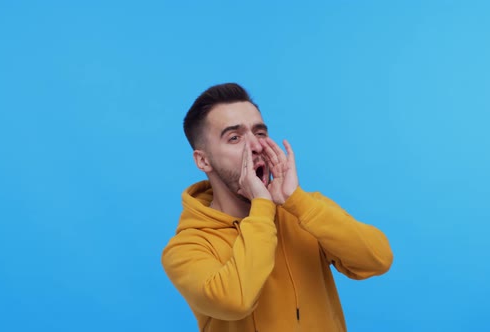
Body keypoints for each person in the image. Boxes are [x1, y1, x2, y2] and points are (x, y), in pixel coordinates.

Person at [161, 83, 393, 331]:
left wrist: (298, 202)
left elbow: (377, 260)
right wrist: (262, 208)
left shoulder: (304, 209)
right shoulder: (186, 248)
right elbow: (235, 301)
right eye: (235, 138)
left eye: (259, 133)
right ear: (203, 160)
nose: (256, 146)